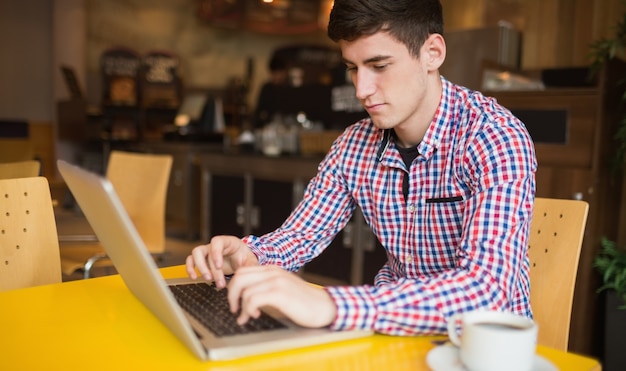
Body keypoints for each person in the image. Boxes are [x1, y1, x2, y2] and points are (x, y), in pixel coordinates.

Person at [186, 0, 537, 336]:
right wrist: (250, 254)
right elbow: (302, 235)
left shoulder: (493, 137)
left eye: (379, 66)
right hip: (393, 334)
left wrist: (330, 304)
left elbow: (486, 290)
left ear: (433, 53)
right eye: (353, 68)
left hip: (481, 347)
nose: (361, 90)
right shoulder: (355, 145)